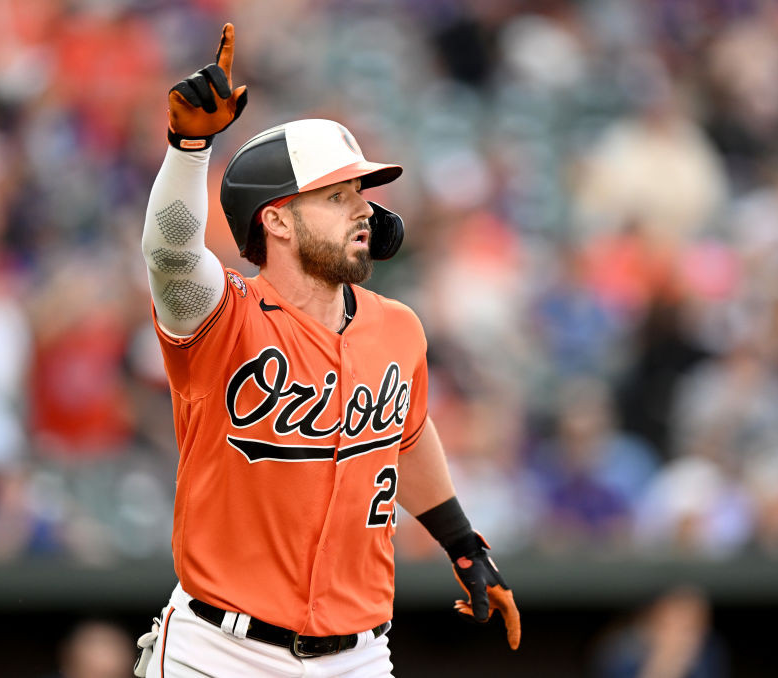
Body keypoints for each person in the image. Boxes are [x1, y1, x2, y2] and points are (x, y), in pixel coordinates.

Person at [133, 23, 520, 678]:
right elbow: (170, 254)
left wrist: (461, 544)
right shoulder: (223, 316)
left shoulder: (398, 327)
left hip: (359, 654)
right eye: (338, 197)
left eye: (361, 195)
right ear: (276, 218)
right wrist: (190, 147)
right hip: (221, 651)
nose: (363, 210)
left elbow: (406, 432)